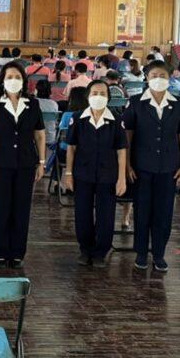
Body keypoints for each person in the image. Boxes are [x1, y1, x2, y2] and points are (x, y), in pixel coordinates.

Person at [122, 60, 180, 273]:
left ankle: (159, 253)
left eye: (162, 76)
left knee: (164, 211)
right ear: (147, 78)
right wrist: (127, 165)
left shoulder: (178, 103)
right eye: (153, 76)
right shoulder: (136, 102)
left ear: (170, 78)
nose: (158, 79)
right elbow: (127, 136)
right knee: (142, 210)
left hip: (169, 167)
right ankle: (141, 252)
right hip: (141, 166)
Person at [0, 62, 46, 268]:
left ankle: (17, 253)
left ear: (24, 81)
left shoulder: (33, 104)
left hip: (26, 163)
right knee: (0, 208)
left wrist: (41, 162)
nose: (13, 80)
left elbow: (39, 134)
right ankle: (0, 252)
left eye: (17, 77)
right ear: (2, 81)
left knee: (21, 208)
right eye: (9, 77)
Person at [63, 79, 127, 267]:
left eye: (103, 94)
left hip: (108, 174)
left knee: (106, 214)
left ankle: (101, 252)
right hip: (82, 173)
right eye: (94, 93)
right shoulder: (78, 118)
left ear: (108, 97)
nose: (98, 97)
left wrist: (122, 178)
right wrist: (68, 173)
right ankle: (85, 249)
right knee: (82, 213)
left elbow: (121, 151)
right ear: (88, 96)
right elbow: (71, 148)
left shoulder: (116, 119)